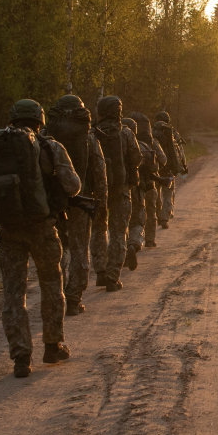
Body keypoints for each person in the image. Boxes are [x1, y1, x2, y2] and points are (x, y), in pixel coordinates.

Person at [0, 99, 79, 375]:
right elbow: (73, 185)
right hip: (43, 228)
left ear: (12, 119)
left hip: (9, 230)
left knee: (13, 293)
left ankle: (21, 356)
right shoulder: (50, 146)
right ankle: (52, 345)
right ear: (40, 120)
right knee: (51, 284)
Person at [47, 93, 107, 316]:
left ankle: (58, 294)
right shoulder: (89, 137)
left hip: (53, 202)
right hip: (81, 202)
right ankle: (73, 298)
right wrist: (101, 202)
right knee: (80, 248)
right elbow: (99, 171)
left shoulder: (46, 136)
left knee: (59, 248)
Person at [91, 95, 139, 290]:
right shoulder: (126, 133)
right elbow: (136, 157)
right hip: (121, 189)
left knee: (99, 230)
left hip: (97, 191)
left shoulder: (93, 133)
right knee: (119, 232)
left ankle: (100, 272)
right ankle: (113, 277)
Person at [124, 114, 161, 261]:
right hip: (142, 187)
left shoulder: (113, 141)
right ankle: (137, 243)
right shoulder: (146, 145)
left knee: (120, 223)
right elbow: (158, 164)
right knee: (140, 218)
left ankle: (120, 253)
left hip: (118, 189)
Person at [152, 109, 187, 226]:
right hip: (169, 168)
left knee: (156, 192)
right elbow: (179, 150)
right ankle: (165, 217)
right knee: (168, 193)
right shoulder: (172, 132)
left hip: (155, 167)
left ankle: (157, 214)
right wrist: (183, 165)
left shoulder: (151, 132)